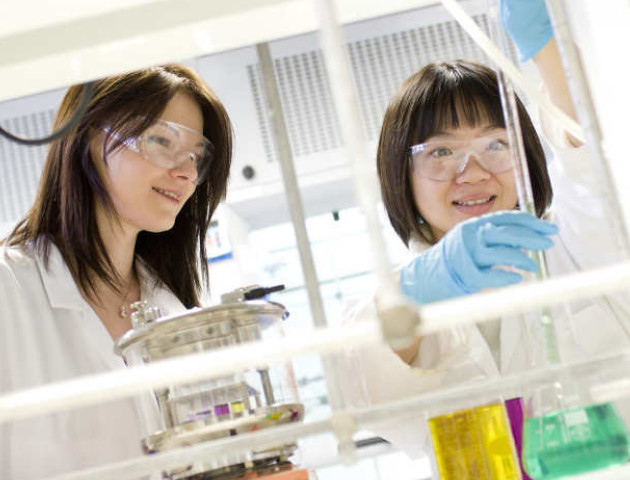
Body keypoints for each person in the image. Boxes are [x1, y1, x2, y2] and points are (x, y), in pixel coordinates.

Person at [341, 0, 630, 459]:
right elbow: (365, 387)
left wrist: (547, 47)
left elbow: (588, 162)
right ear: (401, 175)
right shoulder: (392, 301)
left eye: (496, 144)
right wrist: (418, 292)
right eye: (440, 152)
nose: (472, 173)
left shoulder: (577, 241)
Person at [0, 64, 232, 478]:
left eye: (197, 157)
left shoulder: (175, 310)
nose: (187, 172)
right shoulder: (9, 291)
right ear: (86, 136)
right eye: (162, 141)